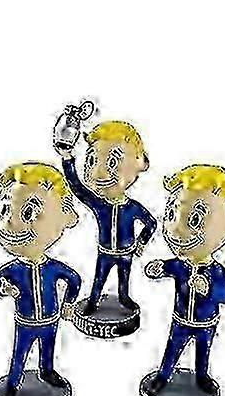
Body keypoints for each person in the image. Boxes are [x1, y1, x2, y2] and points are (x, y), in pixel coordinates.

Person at [144, 165, 225, 396]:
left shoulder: (217, 272)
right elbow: (168, 267)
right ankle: (163, 376)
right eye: (172, 215)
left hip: (206, 323)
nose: (176, 231)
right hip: (180, 319)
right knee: (172, 349)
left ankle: (202, 376)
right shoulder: (180, 265)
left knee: (203, 351)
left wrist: (208, 288)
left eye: (195, 219)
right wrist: (158, 268)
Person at [0, 163, 82, 396]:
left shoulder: (53, 268)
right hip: (25, 322)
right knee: (19, 354)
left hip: (51, 320)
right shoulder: (14, 269)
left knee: (48, 350)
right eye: (4, 210)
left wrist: (69, 305)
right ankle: (12, 383)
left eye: (28, 213)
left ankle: (46, 372)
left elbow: (74, 280)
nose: (9, 224)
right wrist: (2, 288)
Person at [56, 121, 156, 314]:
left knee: (124, 278)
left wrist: (142, 241)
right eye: (92, 161)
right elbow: (77, 187)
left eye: (112, 162)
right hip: (105, 251)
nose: (97, 173)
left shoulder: (132, 207)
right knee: (99, 278)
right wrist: (67, 159)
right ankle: (93, 301)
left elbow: (151, 223)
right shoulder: (99, 204)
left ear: (140, 164)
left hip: (126, 252)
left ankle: (124, 297)